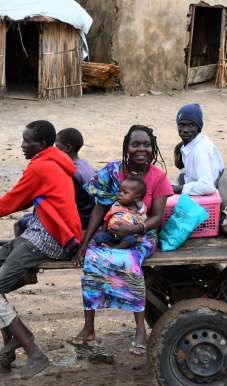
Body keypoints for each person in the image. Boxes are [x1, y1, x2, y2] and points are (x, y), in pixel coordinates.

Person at [0, 120, 82, 379]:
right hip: (41, 230)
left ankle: (34, 352)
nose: (23, 145)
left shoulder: (40, 167)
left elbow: (11, 201)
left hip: (50, 237)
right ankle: (19, 334)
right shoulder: (51, 161)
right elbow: (19, 198)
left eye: (29, 141)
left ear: (43, 144)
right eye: (24, 140)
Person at [72, 125, 174, 355]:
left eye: (146, 144)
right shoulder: (112, 172)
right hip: (112, 230)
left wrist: (134, 228)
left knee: (129, 263)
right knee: (91, 260)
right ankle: (89, 328)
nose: (141, 149)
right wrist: (85, 243)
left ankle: (140, 330)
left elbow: (157, 217)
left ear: (153, 147)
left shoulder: (158, 177)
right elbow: (99, 210)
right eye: (135, 144)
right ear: (126, 147)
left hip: (141, 235)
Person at [14, 127, 95, 236]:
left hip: (80, 220)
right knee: (28, 217)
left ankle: (22, 249)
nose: (53, 150)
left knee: (20, 224)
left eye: (57, 147)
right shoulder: (84, 164)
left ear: (67, 147)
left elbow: (64, 205)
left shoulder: (70, 172)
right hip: (87, 214)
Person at [172, 103, 224, 195]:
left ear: (199, 127)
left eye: (191, 125)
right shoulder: (192, 144)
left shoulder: (200, 150)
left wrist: (176, 189)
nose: (185, 130)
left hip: (210, 195)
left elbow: (208, 186)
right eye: (182, 125)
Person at [92, 176, 147, 249]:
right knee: (98, 237)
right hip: (111, 233)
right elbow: (107, 218)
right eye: (120, 191)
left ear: (136, 197)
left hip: (126, 235)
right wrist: (103, 231)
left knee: (130, 240)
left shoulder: (139, 211)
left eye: (125, 192)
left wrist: (138, 236)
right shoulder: (116, 205)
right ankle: (109, 244)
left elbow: (142, 224)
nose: (120, 194)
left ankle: (114, 247)